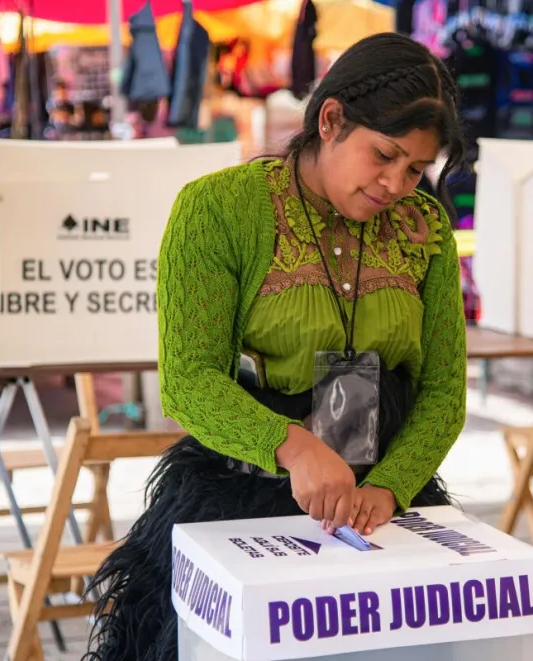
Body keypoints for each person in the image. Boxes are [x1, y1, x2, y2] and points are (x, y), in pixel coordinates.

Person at [84, 32, 468, 661]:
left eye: (415, 168)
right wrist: (293, 447)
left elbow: (444, 391)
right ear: (331, 119)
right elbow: (188, 380)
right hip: (239, 498)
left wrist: (391, 488)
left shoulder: (424, 231)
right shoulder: (219, 210)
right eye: (384, 155)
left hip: (382, 506)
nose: (397, 184)